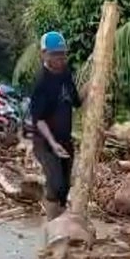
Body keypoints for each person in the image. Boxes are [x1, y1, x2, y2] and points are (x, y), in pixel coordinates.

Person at [30, 31, 83, 220]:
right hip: (45, 142)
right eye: (55, 55)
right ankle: (52, 224)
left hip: (65, 139)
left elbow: (76, 101)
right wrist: (53, 143)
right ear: (44, 54)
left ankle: (61, 222)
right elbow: (39, 120)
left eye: (62, 54)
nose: (60, 59)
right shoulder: (41, 83)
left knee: (65, 186)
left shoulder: (66, 73)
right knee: (55, 184)